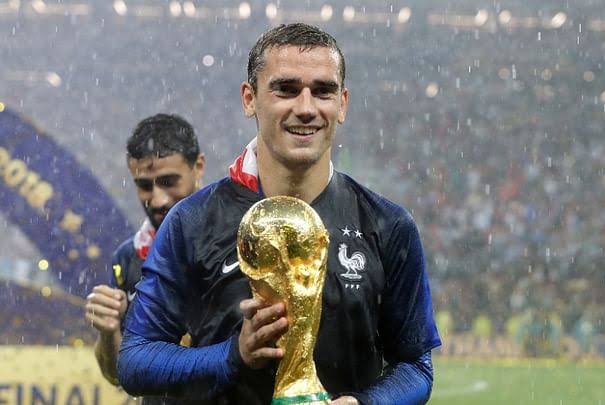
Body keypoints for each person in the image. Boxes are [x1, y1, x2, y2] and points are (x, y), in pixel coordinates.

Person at [117, 23, 441, 404]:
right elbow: (135, 361)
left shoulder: (388, 225)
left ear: (342, 104)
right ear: (249, 99)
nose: (305, 108)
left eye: (323, 91)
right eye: (286, 89)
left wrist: (364, 403)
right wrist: (233, 355)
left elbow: (415, 366)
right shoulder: (193, 222)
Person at [84, 114, 205, 392]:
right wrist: (108, 331)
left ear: (198, 167)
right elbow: (117, 376)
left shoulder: (236, 238)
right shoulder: (127, 258)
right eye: (145, 185)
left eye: (169, 181)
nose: (158, 199)